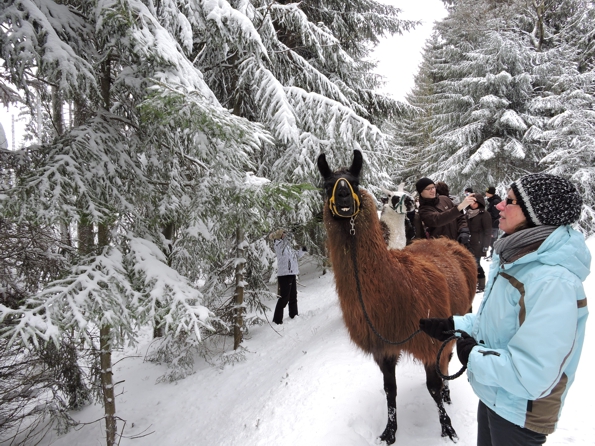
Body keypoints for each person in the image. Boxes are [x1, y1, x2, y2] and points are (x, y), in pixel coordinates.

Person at [419, 173, 589, 446]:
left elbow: (534, 373)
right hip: (498, 395)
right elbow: (500, 323)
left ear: (537, 215)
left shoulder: (552, 282)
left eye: (509, 201)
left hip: (520, 412)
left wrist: (472, 355)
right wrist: (455, 325)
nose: (498, 205)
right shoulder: (519, 261)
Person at [269, 229, 307, 325]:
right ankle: (277, 320)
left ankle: (294, 315)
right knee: (284, 298)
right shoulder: (278, 245)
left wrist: (303, 250)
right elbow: (278, 240)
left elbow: (295, 256)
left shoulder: (287, 246)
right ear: (280, 236)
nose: (285, 235)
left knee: (293, 296)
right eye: (283, 234)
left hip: (291, 273)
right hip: (285, 274)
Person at [466, 193, 492, 292]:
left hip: (478, 243)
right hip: (469, 243)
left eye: (475, 202)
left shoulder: (484, 214)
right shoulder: (468, 213)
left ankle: (481, 285)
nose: (473, 204)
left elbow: (487, 231)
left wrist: (486, 245)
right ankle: (475, 283)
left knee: (476, 264)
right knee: (471, 264)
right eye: (471, 202)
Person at [485, 186, 502, 259]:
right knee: (491, 240)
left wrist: (487, 215)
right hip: (491, 224)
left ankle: (493, 255)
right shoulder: (492, 200)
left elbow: (495, 214)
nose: (486, 193)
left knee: (493, 240)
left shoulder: (495, 201)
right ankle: (491, 255)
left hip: (494, 224)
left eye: (487, 192)